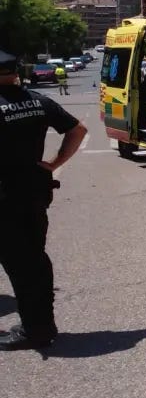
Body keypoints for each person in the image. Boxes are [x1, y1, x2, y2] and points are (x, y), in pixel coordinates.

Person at [0, 49, 87, 350]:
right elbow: (77, 130)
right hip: (36, 192)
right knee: (35, 258)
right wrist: (54, 163)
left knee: (21, 266)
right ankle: (41, 323)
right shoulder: (39, 101)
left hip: (6, 197)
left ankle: (35, 330)